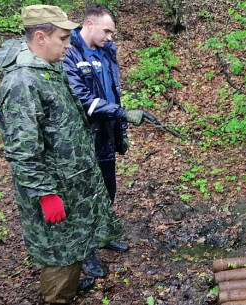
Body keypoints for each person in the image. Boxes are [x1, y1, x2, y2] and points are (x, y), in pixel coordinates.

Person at [0, 5, 123, 304]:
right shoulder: (22, 83)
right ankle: (57, 296)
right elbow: (23, 151)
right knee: (59, 251)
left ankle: (69, 286)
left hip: (71, 183)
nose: (69, 44)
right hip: (55, 190)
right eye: (64, 38)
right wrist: (45, 194)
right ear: (41, 37)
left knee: (72, 244)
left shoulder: (49, 70)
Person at [63, 4, 148, 278]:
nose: (110, 36)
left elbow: (113, 93)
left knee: (108, 190)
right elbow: (82, 100)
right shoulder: (70, 52)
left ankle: (102, 234)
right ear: (89, 24)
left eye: (112, 32)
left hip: (106, 137)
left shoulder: (107, 52)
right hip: (83, 140)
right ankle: (86, 251)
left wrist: (120, 128)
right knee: (86, 197)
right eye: (107, 30)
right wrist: (121, 113)